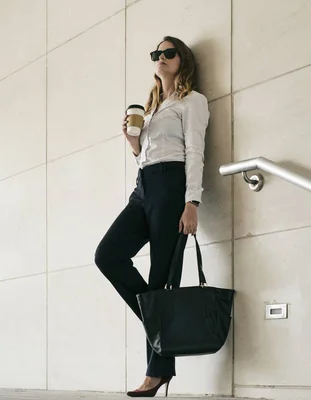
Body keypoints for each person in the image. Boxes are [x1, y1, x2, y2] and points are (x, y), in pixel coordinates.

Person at [94, 36, 209, 397]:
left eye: (168, 53)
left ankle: (156, 372)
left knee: (160, 279)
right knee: (108, 256)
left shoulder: (192, 101)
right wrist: (133, 144)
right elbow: (146, 154)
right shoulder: (154, 106)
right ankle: (163, 323)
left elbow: (194, 151)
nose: (161, 58)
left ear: (182, 60)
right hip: (143, 188)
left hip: (172, 188)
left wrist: (192, 202)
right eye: (156, 54)